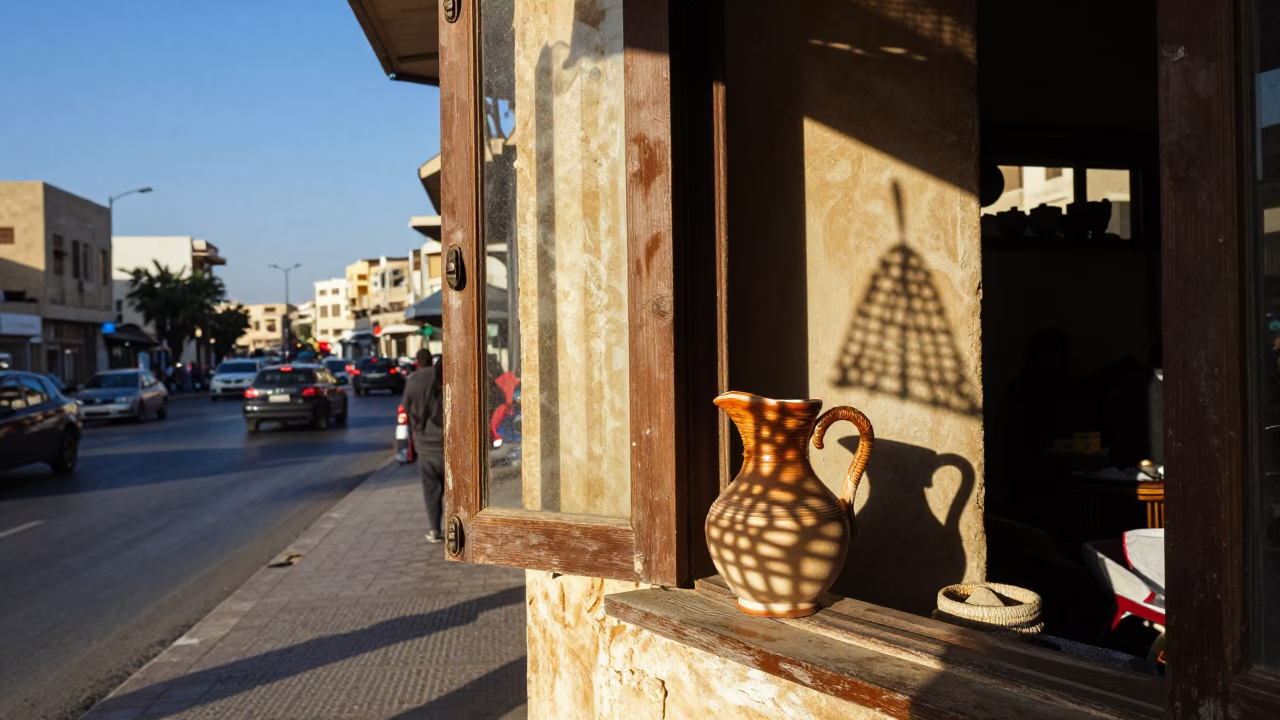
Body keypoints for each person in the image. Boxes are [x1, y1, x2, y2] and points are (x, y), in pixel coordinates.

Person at [402, 348, 445, 543]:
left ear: (418, 362)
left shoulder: (413, 380)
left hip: (425, 444)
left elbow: (405, 407)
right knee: (454, 489)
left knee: (431, 489)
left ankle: (435, 529)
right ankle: (458, 530)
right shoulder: (443, 375)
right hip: (447, 443)